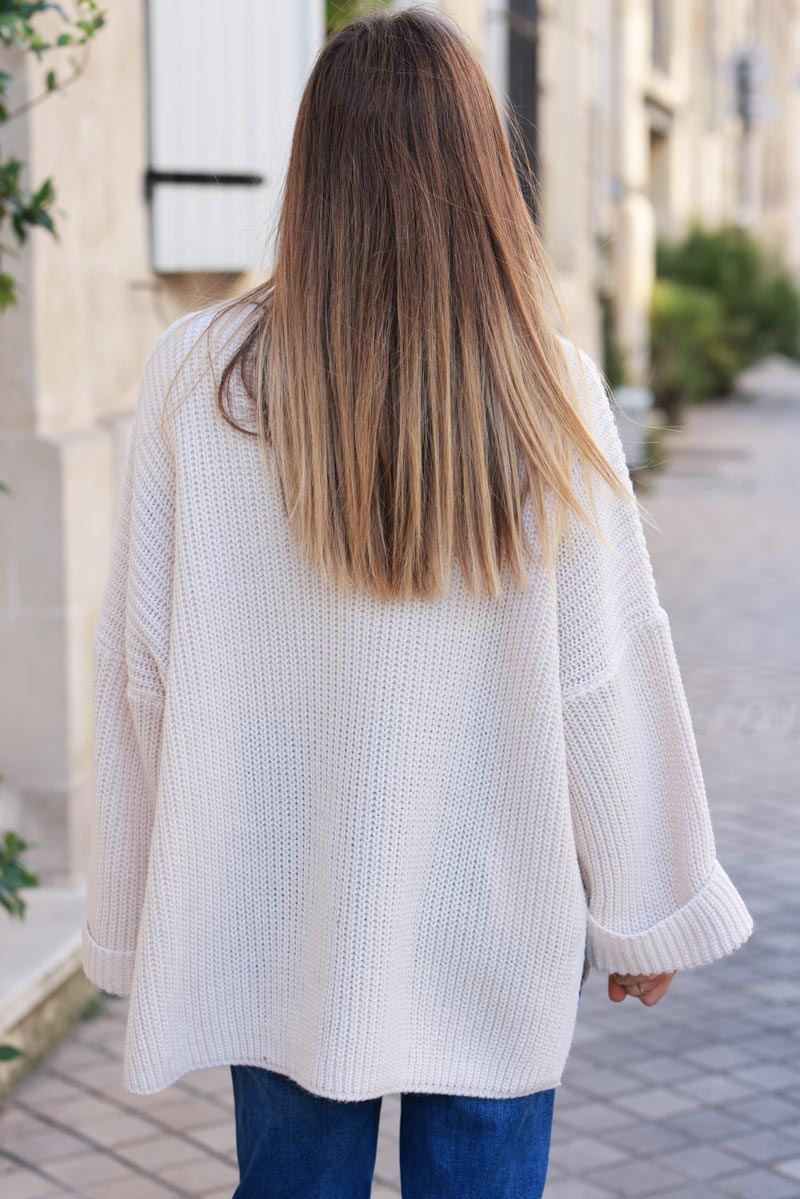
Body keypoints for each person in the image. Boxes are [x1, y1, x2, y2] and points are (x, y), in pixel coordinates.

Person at [82, 7, 753, 1198]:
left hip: (270, 915)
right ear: (484, 174)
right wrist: (647, 902)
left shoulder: (199, 374)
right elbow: (601, 672)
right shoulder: (547, 387)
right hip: (491, 916)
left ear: (312, 170)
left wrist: (144, 913)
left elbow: (142, 666)